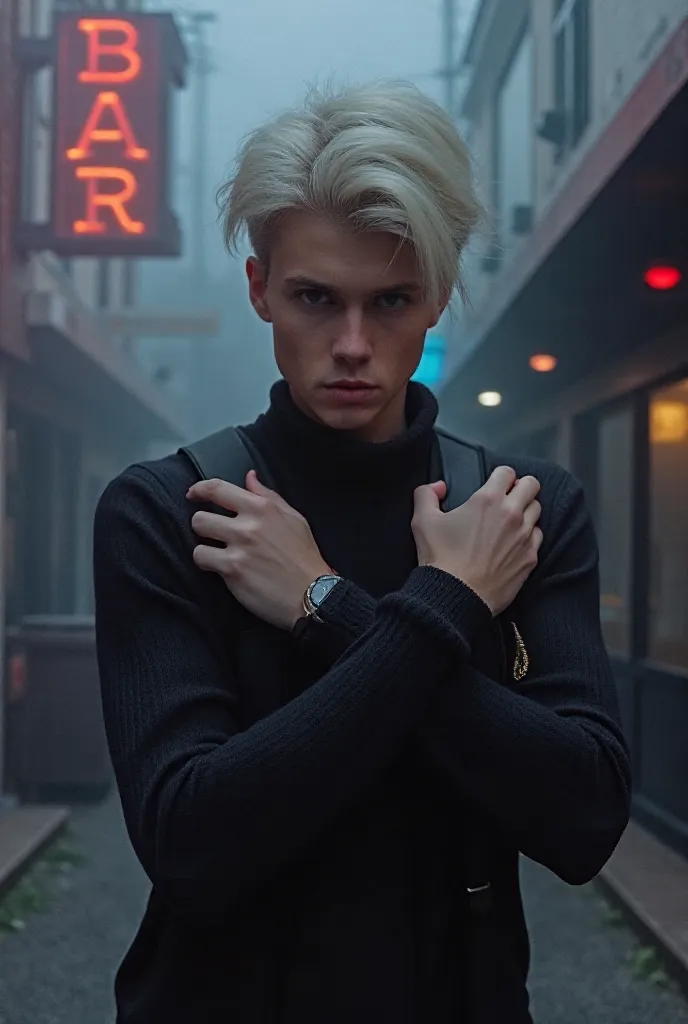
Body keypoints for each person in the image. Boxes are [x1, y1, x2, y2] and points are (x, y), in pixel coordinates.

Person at [93, 82, 631, 1024]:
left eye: (391, 300)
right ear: (260, 288)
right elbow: (189, 842)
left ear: (441, 292)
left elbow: (583, 820)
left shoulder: (514, 511)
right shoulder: (169, 512)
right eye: (314, 298)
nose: (352, 345)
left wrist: (327, 605)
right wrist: (441, 607)